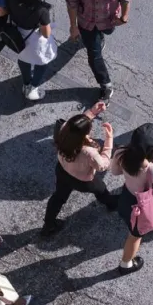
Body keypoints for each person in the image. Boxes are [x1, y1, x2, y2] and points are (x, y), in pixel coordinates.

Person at [64, 0, 132, 102]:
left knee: (105, 33)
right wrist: (73, 27)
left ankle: (100, 38)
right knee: (94, 55)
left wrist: (124, 17)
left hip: (108, 20)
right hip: (86, 22)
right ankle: (106, 84)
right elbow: (71, 3)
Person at [42, 101, 117, 236]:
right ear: (84, 134)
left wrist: (92, 112)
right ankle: (111, 204)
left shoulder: (62, 130)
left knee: (58, 197)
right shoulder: (89, 152)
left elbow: (74, 126)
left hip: (62, 171)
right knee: (101, 190)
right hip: (83, 181)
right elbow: (103, 165)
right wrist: (109, 140)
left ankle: (48, 225)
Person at [110, 124, 153, 275]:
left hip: (126, 198)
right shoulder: (152, 169)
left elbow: (114, 171)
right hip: (141, 208)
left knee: (132, 227)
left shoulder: (121, 152)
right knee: (135, 237)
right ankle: (126, 264)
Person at [6, 0, 58, 101]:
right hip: (33, 41)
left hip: (17, 36)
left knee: (23, 60)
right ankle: (33, 87)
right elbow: (46, 33)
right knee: (42, 63)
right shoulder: (41, 10)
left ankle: (26, 83)